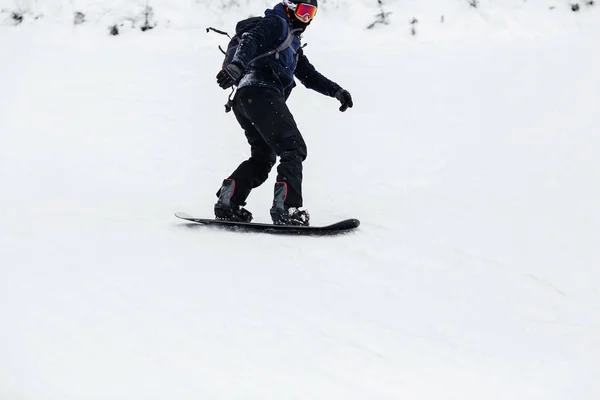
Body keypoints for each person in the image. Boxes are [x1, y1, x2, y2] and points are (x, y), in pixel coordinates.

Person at [214, 0, 353, 226]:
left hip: (247, 99)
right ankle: (288, 209)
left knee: (263, 158)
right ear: (289, 7)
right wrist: (236, 66)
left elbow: (309, 75)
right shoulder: (276, 24)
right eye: (303, 11)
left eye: (311, 14)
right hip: (261, 93)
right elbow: (251, 39)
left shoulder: (292, 43)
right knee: (293, 147)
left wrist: (336, 90)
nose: (306, 19)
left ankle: (229, 200)